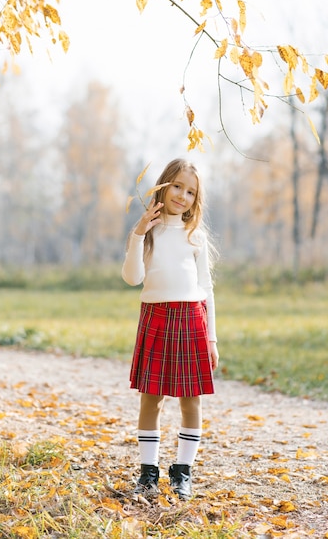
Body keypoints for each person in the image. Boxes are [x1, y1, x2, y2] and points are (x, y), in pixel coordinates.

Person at [122, 158, 219, 500]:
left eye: (191, 191)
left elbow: (206, 290)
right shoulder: (148, 231)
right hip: (156, 316)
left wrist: (212, 338)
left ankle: (183, 472)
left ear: (196, 199)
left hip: (192, 319)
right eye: (177, 186)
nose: (183, 195)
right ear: (164, 186)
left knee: (191, 401)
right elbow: (133, 278)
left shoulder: (195, 237)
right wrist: (138, 234)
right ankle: (148, 472)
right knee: (152, 398)